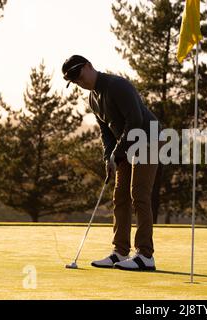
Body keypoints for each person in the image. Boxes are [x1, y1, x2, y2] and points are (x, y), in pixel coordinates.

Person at [62, 55, 160, 270]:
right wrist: (109, 156)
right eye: (74, 81)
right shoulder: (92, 98)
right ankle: (120, 251)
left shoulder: (117, 86)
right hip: (126, 144)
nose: (79, 82)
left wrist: (118, 151)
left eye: (78, 76)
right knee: (120, 196)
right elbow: (105, 131)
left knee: (139, 194)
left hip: (148, 137)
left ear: (89, 66)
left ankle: (145, 255)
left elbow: (135, 120)